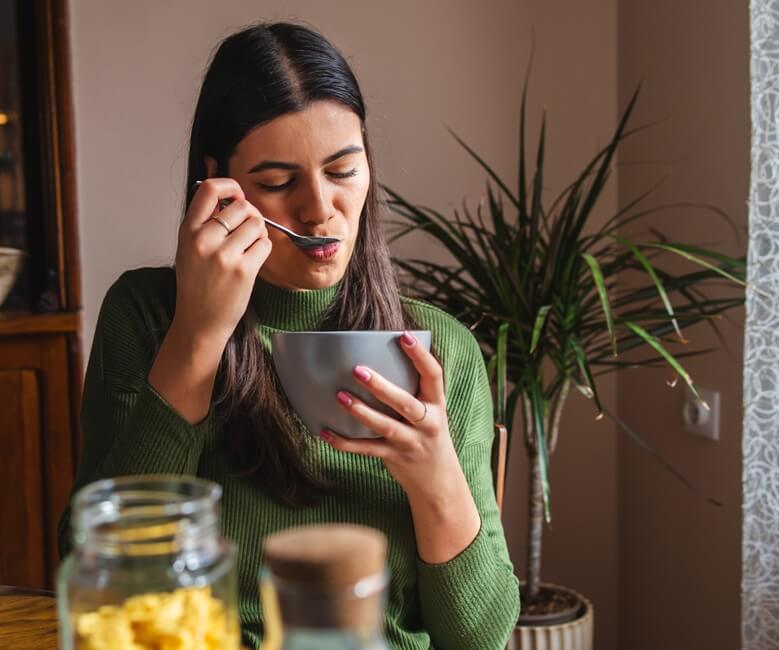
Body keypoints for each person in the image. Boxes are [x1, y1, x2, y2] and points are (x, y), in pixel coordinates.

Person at [66, 22, 520, 649]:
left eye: (343, 171)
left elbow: (481, 639)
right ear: (216, 181)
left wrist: (436, 479)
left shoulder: (438, 349)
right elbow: (104, 576)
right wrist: (198, 334)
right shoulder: (146, 316)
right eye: (278, 183)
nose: (319, 209)